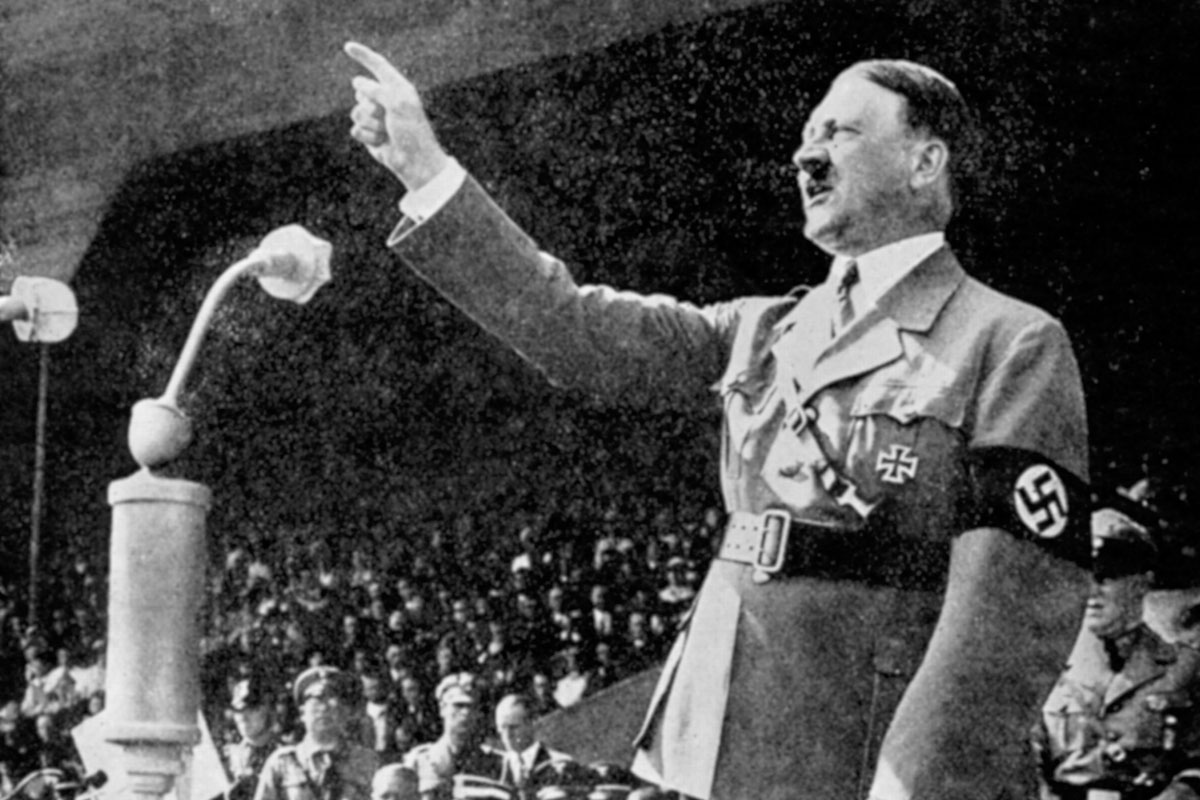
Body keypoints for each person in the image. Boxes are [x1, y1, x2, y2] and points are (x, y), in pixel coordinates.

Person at [344, 43, 1093, 799]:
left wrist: (916, 782)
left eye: (841, 133)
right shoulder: (760, 330)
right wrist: (427, 171)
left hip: (868, 748)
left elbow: (1007, 612)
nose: (807, 156)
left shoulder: (1007, 341)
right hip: (721, 741)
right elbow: (571, 327)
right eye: (808, 135)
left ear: (925, 162)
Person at [1032, 509, 1200, 800]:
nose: (1091, 591)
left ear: (1142, 583)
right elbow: (1024, 762)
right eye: (1084, 577)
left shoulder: (1185, 667)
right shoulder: (1046, 664)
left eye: (1105, 577)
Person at [254, 665, 379, 800]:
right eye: (316, 700)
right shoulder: (281, 763)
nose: (324, 708)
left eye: (332, 699)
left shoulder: (367, 762)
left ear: (345, 711)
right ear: (302, 713)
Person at [406, 672, 498, 800]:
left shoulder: (494, 764)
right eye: (458, 706)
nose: (466, 713)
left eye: (472, 707)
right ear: (442, 708)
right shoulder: (419, 761)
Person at [491, 694, 570, 798]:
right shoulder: (493, 767)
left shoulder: (559, 766)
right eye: (502, 727)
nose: (507, 735)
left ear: (533, 723)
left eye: (514, 727)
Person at [224, 677, 279, 800]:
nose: (243, 716)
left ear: (266, 710)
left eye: (251, 709)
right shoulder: (227, 758)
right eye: (237, 710)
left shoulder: (282, 755)